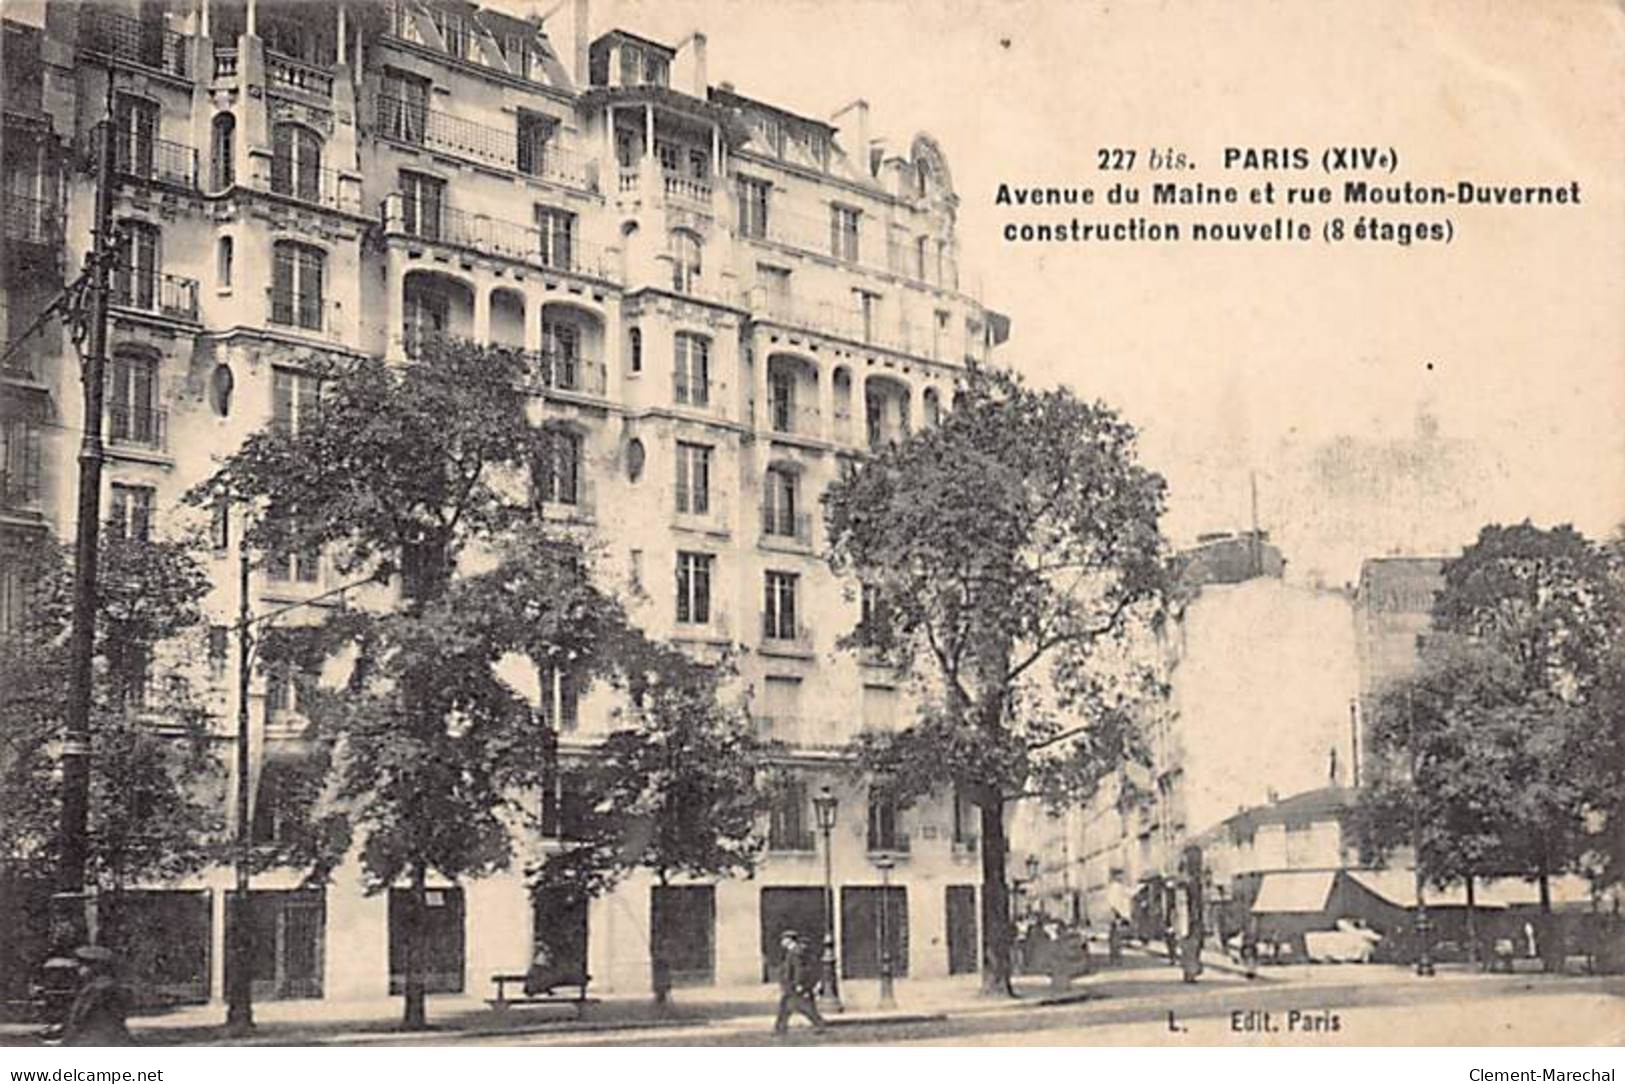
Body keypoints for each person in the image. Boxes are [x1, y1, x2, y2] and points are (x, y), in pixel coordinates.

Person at [61, 946, 131, 1046]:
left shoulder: (98, 989)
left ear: (95, 966)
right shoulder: (105, 986)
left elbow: (79, 1019)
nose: (79, 970)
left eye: (81, 965)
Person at [772, 930, 827, 1035]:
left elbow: (799, 969)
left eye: (784, 940)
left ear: (789, 940)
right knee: (786, 1008)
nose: (782, 942)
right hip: (791, 985)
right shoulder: (792, 952)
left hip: (795, 985)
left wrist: (799, 984)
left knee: (805, 1008)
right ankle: (780, 1028)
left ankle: (819, 1025)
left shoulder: (796, 952)